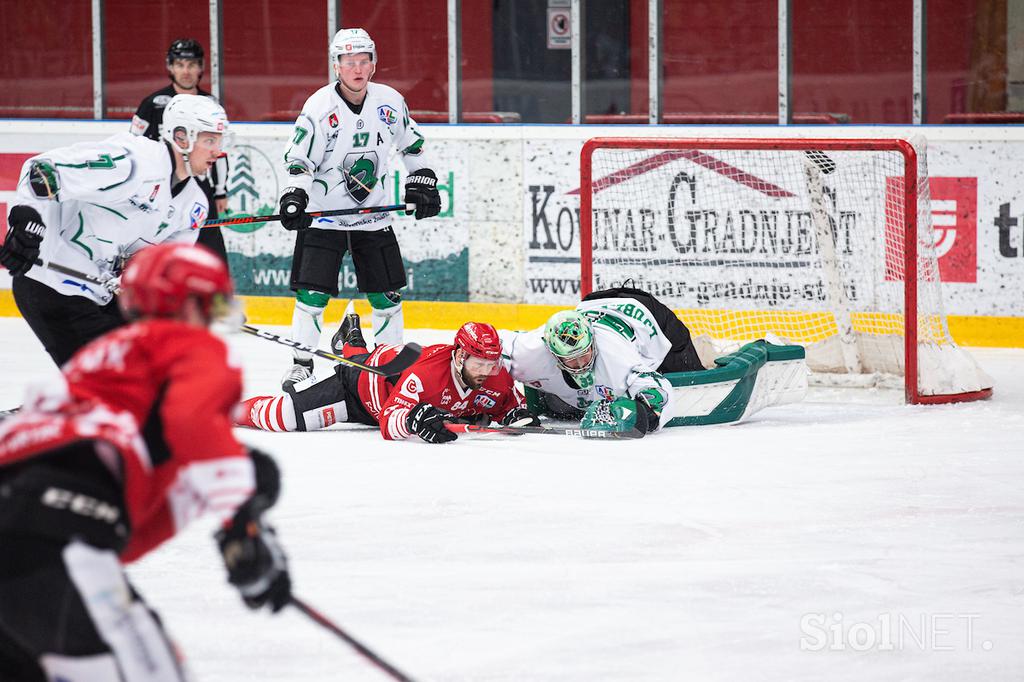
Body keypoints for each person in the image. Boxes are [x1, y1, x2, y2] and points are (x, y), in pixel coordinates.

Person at [0, 243, 291, 681]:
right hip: (56, 538)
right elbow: (192, 421)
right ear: (187, 304)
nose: (212, 320)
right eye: (209, 305)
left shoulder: (98, 363)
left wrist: (213, 499)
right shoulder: (185, 345)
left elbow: (125, 535)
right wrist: (240, 518)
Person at [0, 94, 229, 367]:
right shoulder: (132, 162)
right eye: (210, 141)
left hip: (99, 294)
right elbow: (43, 171)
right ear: (182, 137)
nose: (219, 151)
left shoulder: (194, 205)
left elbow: (150, 265)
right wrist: (27, 224)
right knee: (114, 387)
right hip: (51, 284)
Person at [277, 27, 442, 390]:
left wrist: (423, 180)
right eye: (348, 61)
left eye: (363, 60)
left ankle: (390, 360)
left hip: (374, 215)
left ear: (373, 63)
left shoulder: (390, 102)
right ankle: (302, 362)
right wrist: (295, 196)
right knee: (312, 293)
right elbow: (299, 160)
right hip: (324, 215)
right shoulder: (319, 107)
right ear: (336, 66)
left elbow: (411, 147)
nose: (357, 68)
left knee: (386, 295)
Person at [237, 316, 537, 443]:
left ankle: (352, 339)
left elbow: (510, 406)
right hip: (358, 392)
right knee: (284, 417)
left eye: (492, 363)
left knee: (372, 357)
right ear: (460, 356)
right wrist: (413, 421)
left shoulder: (496, 377)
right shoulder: (426, 374)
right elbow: (388, 420)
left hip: (390, 374)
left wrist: (518, 415)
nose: (487, 371)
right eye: (479, 363)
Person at [499, 285, 706, 437]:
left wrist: (640, 412)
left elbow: (660, 390)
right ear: (553, 354)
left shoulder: (616, 357)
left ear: (593, 341)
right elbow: (492, 345)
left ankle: (706, 350)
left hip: (650, 317)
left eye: (585, 354)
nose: (581, 364)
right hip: (592, 303)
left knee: (694, 381)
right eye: (572, 359)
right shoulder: (533, 348)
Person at [131, 38, 231, 266]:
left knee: (211, 250)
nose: (186, 71)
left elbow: (220, 152)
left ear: (201, 68)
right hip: (158, 186)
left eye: (192, 64)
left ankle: (215, 291)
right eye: (180, 64)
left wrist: (220, 191)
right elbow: (133, 145)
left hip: (201, 186)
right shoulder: (153, 104)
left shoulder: (210, 104)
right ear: (170, 67)